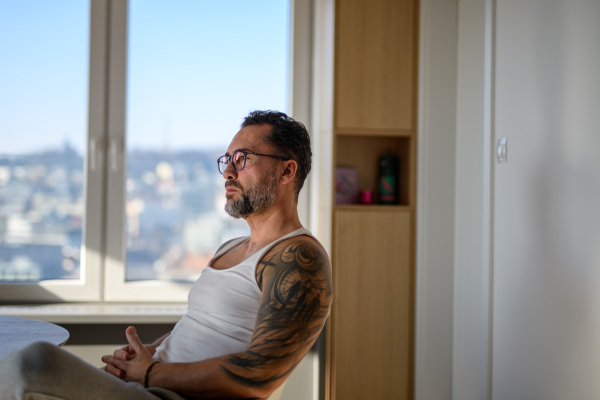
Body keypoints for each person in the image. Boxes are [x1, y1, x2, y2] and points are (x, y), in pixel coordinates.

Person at [0, 110, 333, 400]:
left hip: (169, 394)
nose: (228, 172)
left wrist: (149, 373)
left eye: (243, 159)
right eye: (227, 159)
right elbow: (199, 329)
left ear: (287, 172)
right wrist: (147, 353)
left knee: (35, 362)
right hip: (150, 385)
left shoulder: (298, 258)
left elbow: (260, 374)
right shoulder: (230, 248)